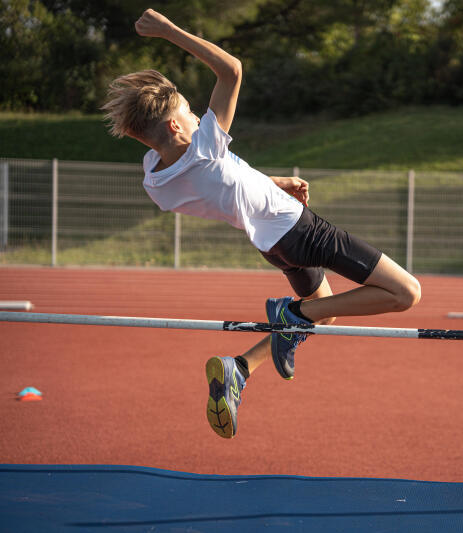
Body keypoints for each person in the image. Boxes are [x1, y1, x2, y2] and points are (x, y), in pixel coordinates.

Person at [102, 9, 421, 439]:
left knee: (322, 316)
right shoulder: (204, 148)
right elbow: (231, 69)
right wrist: (168, 31)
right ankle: (294, 313)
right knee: (405, 293)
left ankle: (239, 368)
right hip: (302, 231)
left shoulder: (156, 180)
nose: (200, 118)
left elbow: (221, 186)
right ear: (177, 127)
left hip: (274, 246)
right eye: (191, 113)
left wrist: (273, 182)